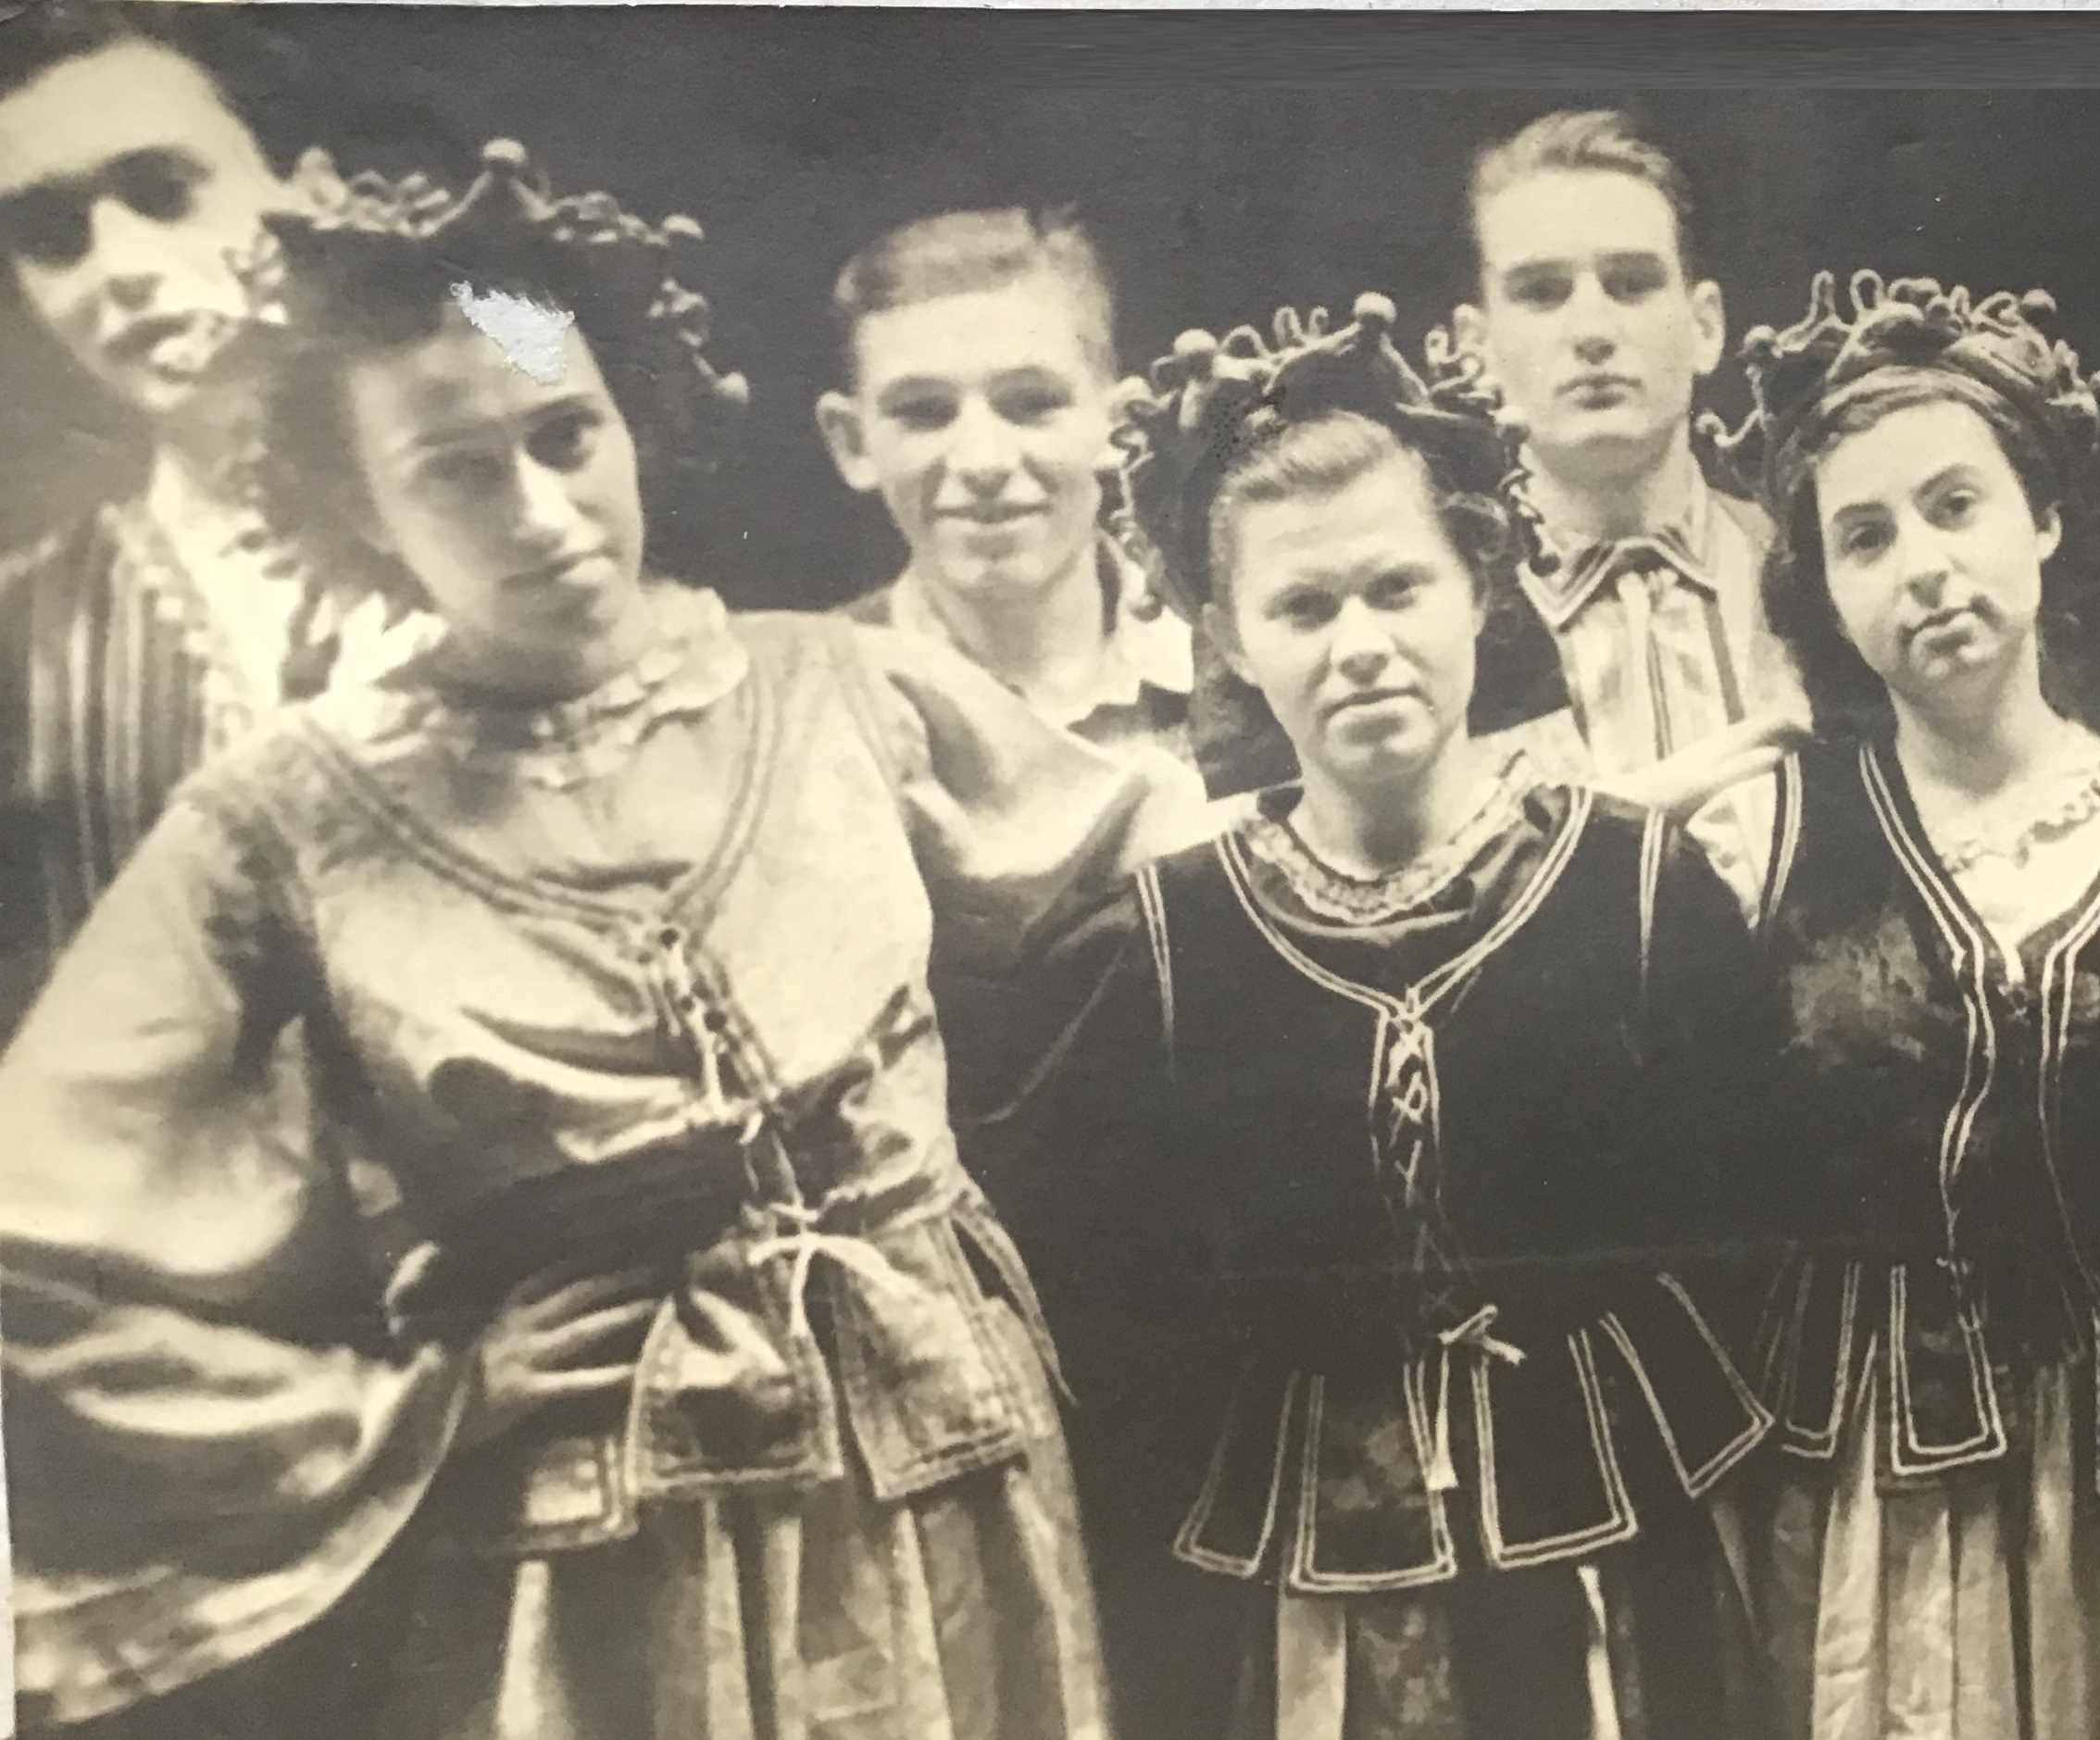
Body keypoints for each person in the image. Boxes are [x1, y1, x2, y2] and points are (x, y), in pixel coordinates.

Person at [0, 140, 1200, 1740]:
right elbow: (30, 1216)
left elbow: (1207, 881)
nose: (543, 511)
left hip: (942, 1481)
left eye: (567, 434)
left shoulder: (835, 686)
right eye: (455, 471)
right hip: (587, 1555)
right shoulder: (286, 815)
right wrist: (403, 1410)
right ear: (363, 504)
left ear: (630, 421)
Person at [1014, 294, 1785, 1740]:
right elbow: (1110, 1291)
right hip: (1312, 1576)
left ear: (1481, 586)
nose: (1359, 643)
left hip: (1611, 1545)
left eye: (1398, 588)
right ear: (1226, 637)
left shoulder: (1633, 887)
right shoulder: (1170, 940)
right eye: (1303, 608)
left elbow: (1756, 1223)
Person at [1696, 269, 2100, 1740]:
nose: (1922, 566)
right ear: (1824, 589)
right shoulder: (1770, 834)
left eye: (1955, 504)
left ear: (2041, 517)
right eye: (1866, 536)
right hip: (1869, 1477)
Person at [0, 0, 410, 1044]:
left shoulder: (534, 506)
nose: (118, 266)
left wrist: (450, 285)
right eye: (52, 235)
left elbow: (569, 344)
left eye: (163, 191)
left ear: (312, 191)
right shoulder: (22, 639)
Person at [1448, 106, 1811, 900]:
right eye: (1542, 293)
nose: (1592, 330)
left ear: (1706, 325)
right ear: (1476, 351)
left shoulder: (1812, 576)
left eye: (1632, 284)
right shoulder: (1436, 624)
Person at [819, 206, 1199, 775]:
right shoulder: (800, 707)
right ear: (853, 443)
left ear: (1121, 426)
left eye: (1031, 404)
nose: (983, 462)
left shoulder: (1249, 665)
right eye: (925, 412)